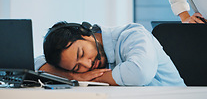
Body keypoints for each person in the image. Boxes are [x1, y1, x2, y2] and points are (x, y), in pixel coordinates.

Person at [35, 21, 185, 86]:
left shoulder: (132, 35)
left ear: (86, 32)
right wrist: (74, 77)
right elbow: (36, 64)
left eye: (81, 54)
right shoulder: (83, 68)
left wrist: (89, 80)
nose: (87, 65)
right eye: (76, 67)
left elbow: (140, 73)